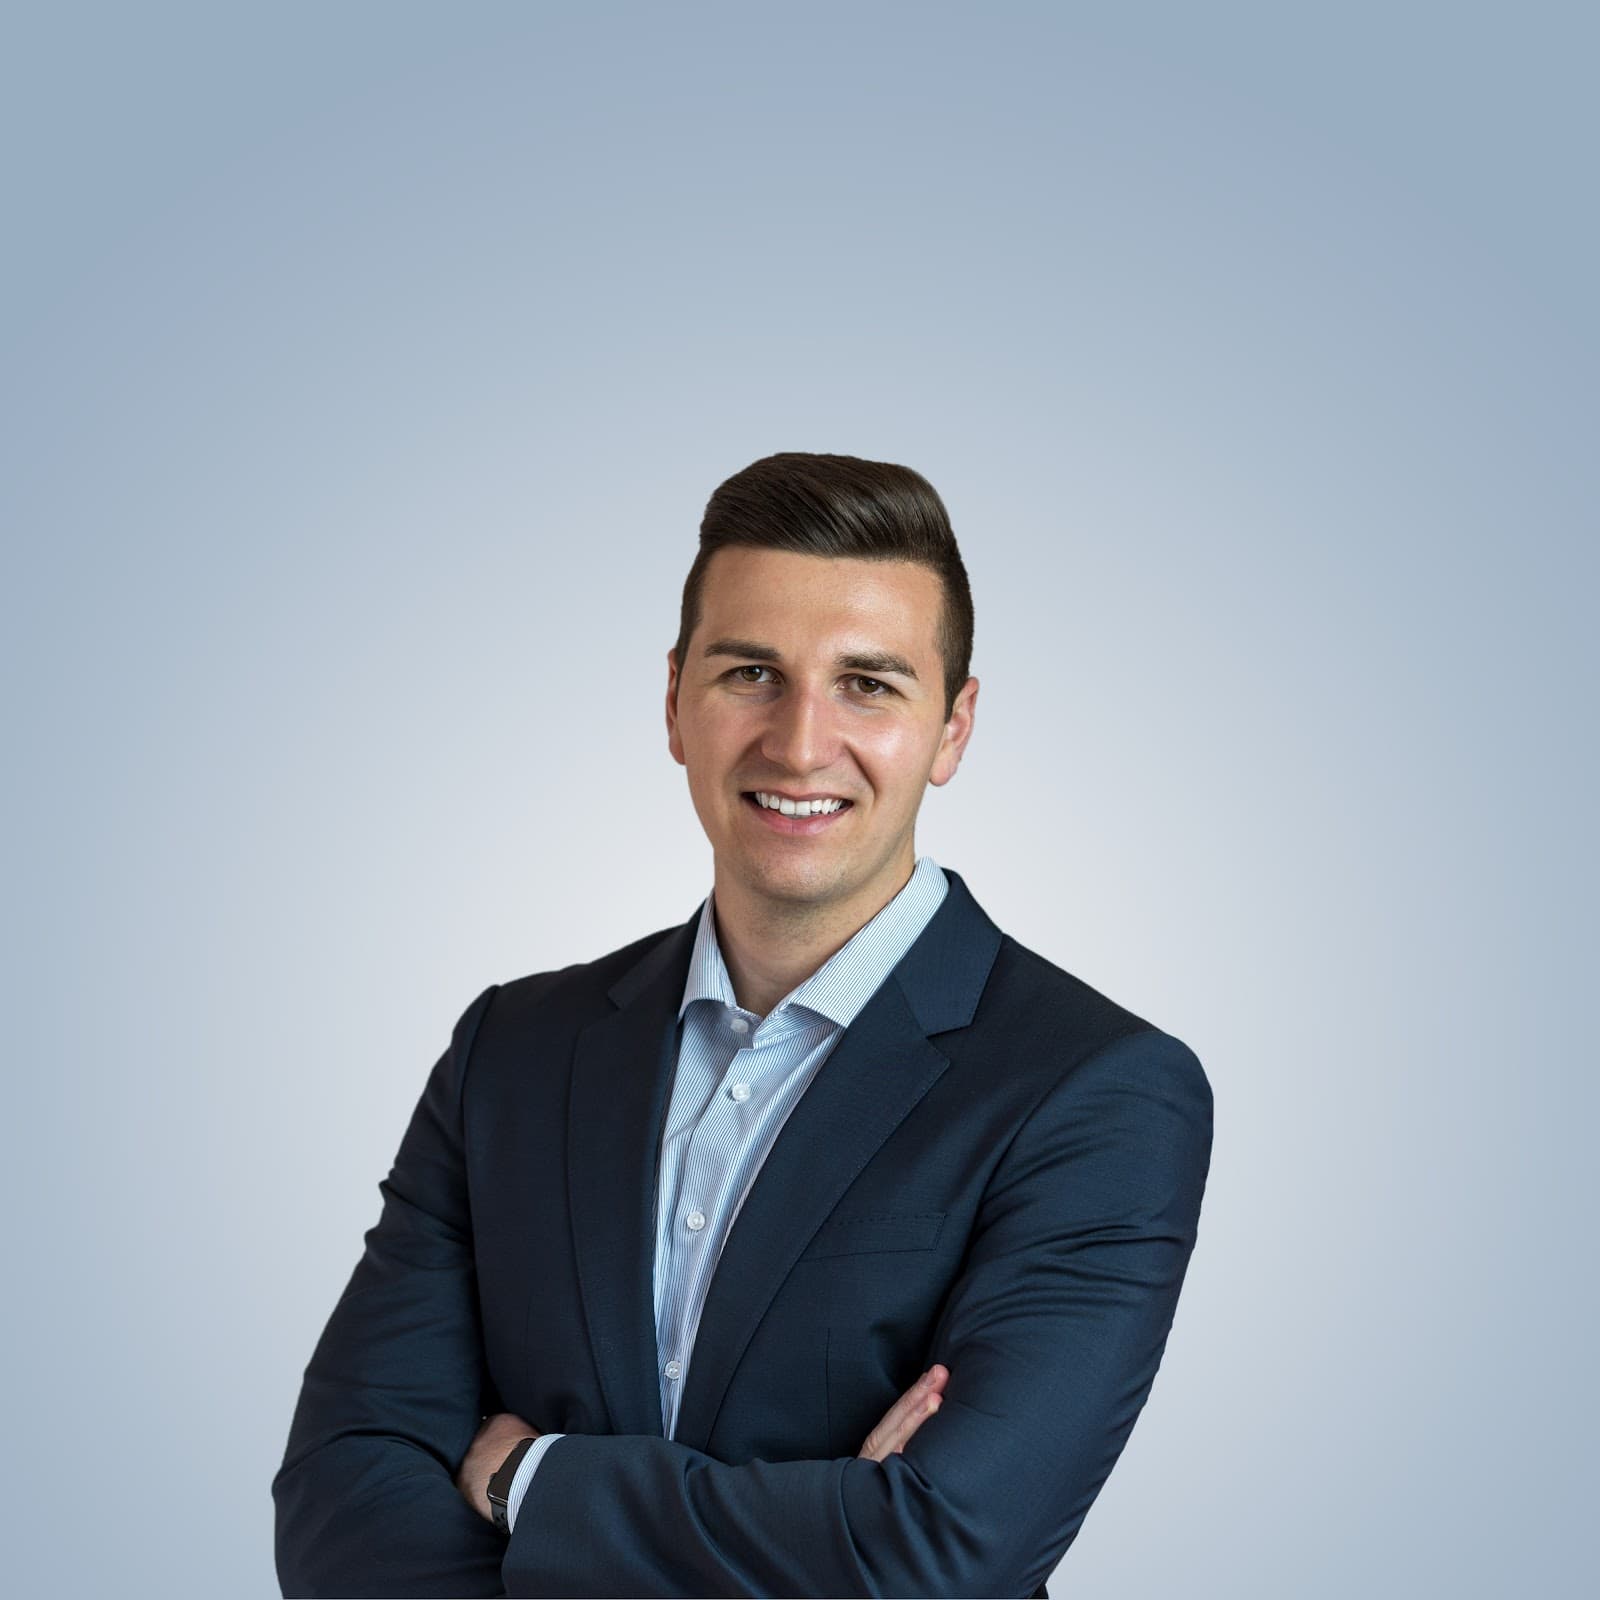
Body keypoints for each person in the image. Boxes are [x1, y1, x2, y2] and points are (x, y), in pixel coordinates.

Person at [272, 451, 1214, 1598]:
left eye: (868, 684)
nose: (800, 742)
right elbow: (339, 1512)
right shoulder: (510, 1052)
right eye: (751, 673)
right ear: (675, 701)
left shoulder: (1099, 1093)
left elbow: (937, 1551)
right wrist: (819, 1525)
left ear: (953, 728)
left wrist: (528, 1478)